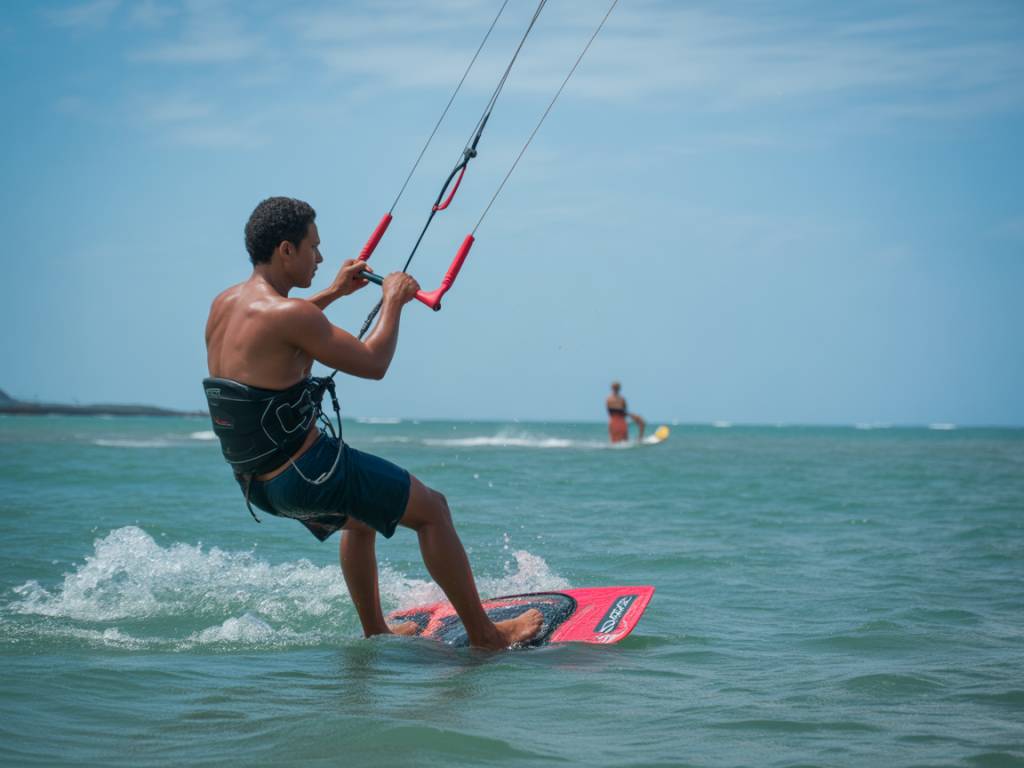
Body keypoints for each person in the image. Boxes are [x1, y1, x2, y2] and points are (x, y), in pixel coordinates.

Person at [203, 197, 541, 650]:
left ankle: (375, 629)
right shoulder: (293, 315)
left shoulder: (225, 305)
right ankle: (487, 636)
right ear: (286, 250)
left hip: (258, 487)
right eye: (313, 248)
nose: (321, 259)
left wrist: (336, 293)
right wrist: (393, 301)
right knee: (433, 511)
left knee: (359, 522)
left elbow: (282, 329)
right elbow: (374, 362)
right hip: (307, 474)